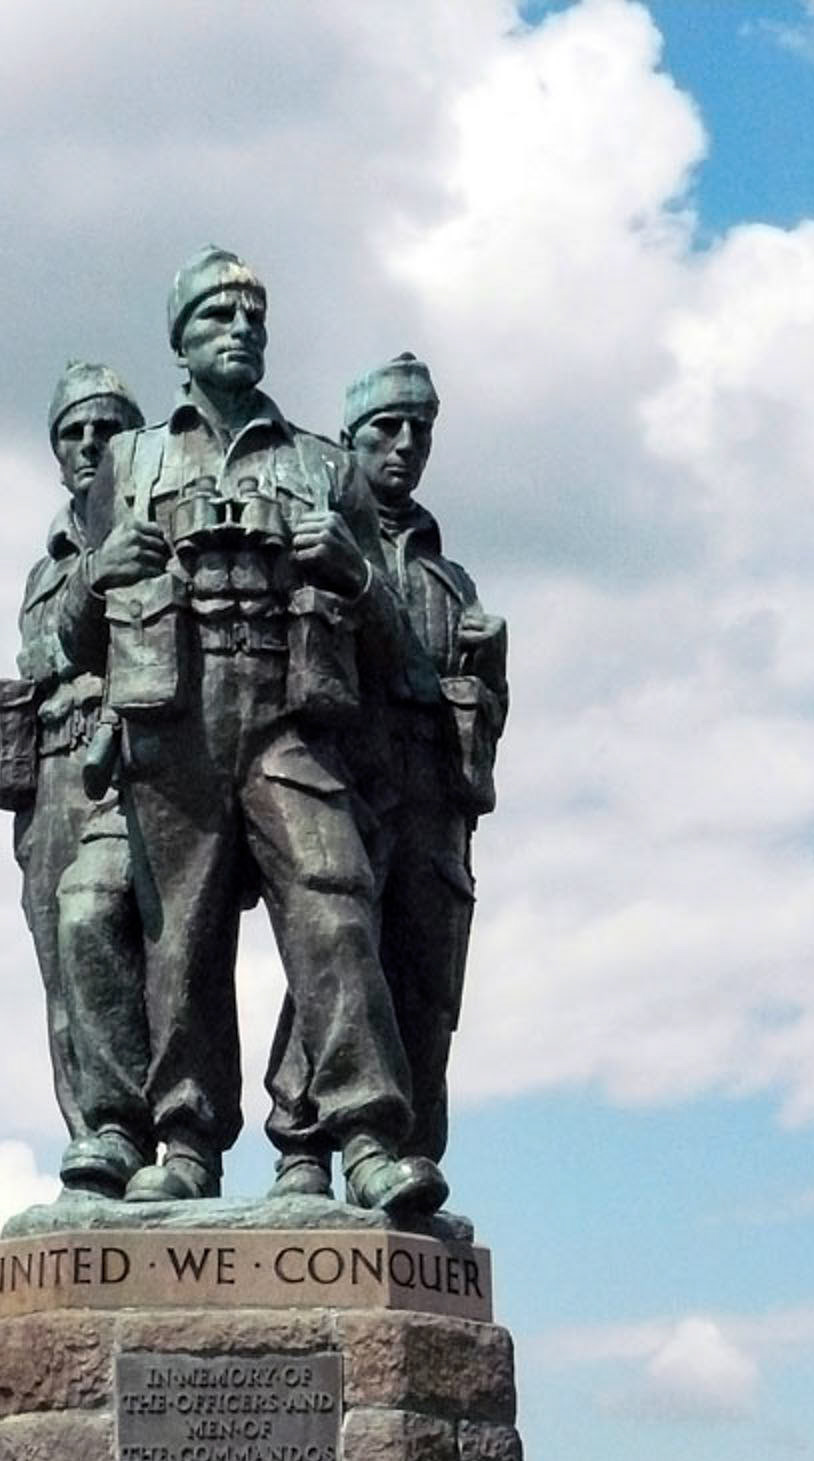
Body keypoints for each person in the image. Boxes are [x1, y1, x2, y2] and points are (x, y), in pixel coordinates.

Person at [60, 249, 446, 1213]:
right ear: (180, 345)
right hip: (174, 720)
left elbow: (401, 646)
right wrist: (100, 568)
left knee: (335, 902)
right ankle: (184, 1141)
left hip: (287, 720)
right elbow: (73, 641)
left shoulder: (320, 463)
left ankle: (361, 1137)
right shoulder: (130, 461)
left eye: (252, 319)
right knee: (176, 937)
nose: (239, 332)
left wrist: (354, 570)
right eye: (216, 319)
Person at [265, 354, 507, 1185]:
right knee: (335, 953)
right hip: (352, 778)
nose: (405, 446)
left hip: (436, 798)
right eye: (385, 430)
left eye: (421, 432)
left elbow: (486, 714)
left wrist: (491, 666)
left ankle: (410, 1158)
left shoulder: (451, 578)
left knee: (429, 987)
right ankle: (303, 1146)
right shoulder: (319, 542)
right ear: (349, 440)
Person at [0, 360, 152, 1196]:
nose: (90, 443)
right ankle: (95, 1145)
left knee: (152, 955)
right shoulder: (48, 562)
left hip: (140, 760)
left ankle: (163, 1143)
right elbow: (43, 653)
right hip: (55, 768)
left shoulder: (155, 529)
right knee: (63, 965)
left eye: (108, 427)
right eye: (74, 431)